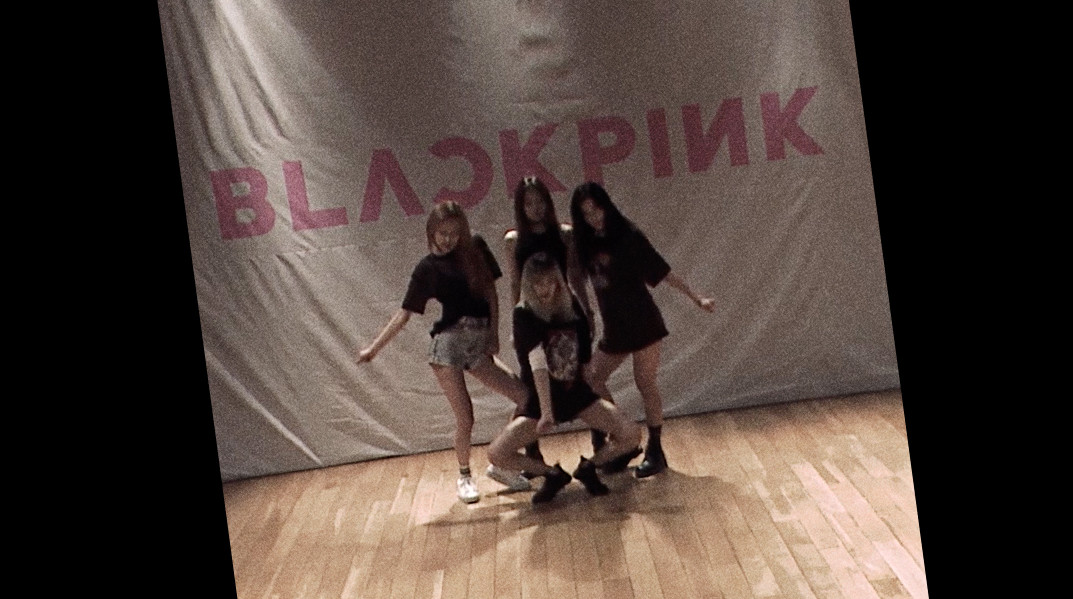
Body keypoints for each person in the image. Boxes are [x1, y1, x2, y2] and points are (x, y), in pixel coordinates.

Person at [356, 201, 531, 503]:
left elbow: (490, 292)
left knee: (525, 397)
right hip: (448, 346)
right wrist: (374, 348)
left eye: (454, 232)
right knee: (466, 417)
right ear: (432, 232)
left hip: (477, 342)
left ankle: (501, 462)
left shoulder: (475, 249)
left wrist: (493, 333)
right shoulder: (427, 268)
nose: (448, 239)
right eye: (442, 233)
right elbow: (404, 313)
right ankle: (464, 476)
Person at [569, 182, 715, 478]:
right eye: (586, 214)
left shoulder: (628, 235)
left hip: (642, 321)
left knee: (645, 382)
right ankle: (622, 437)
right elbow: (575, 275)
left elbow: (662, 271)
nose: (593, 217)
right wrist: (586, 311)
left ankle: (655, 449)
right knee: (592, 378)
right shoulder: (584, 242)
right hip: (615, 327)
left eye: (596, 210)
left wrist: (695, 297)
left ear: (606, 206)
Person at [487, 252, 643, 503]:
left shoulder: (570, 306)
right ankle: (552, 474)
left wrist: (592, 390)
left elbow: (584, 354)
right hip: (541, 401)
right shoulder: (523, 313)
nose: (545, 289)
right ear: (528, 284)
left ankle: (589, 467)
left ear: (558, 281)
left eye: (550, 282)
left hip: (576, 395)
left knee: (631, 434)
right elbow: (537, 364)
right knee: (497, 453)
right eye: (538, 283)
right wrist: (547, 412)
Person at [502, 176, 601, 468]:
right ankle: (532, 450)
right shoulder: (513, 239)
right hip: (531, 316)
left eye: (540, 201)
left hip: (563, 310)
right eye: (528, 203)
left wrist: (587, 311)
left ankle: (600, 436)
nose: (535, 208)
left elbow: (575, 276)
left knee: (580, 372)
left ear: (548, 201)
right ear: (521, 207)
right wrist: (515, 324)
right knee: (531, 380)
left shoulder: (564, 233)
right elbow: (514, 283)